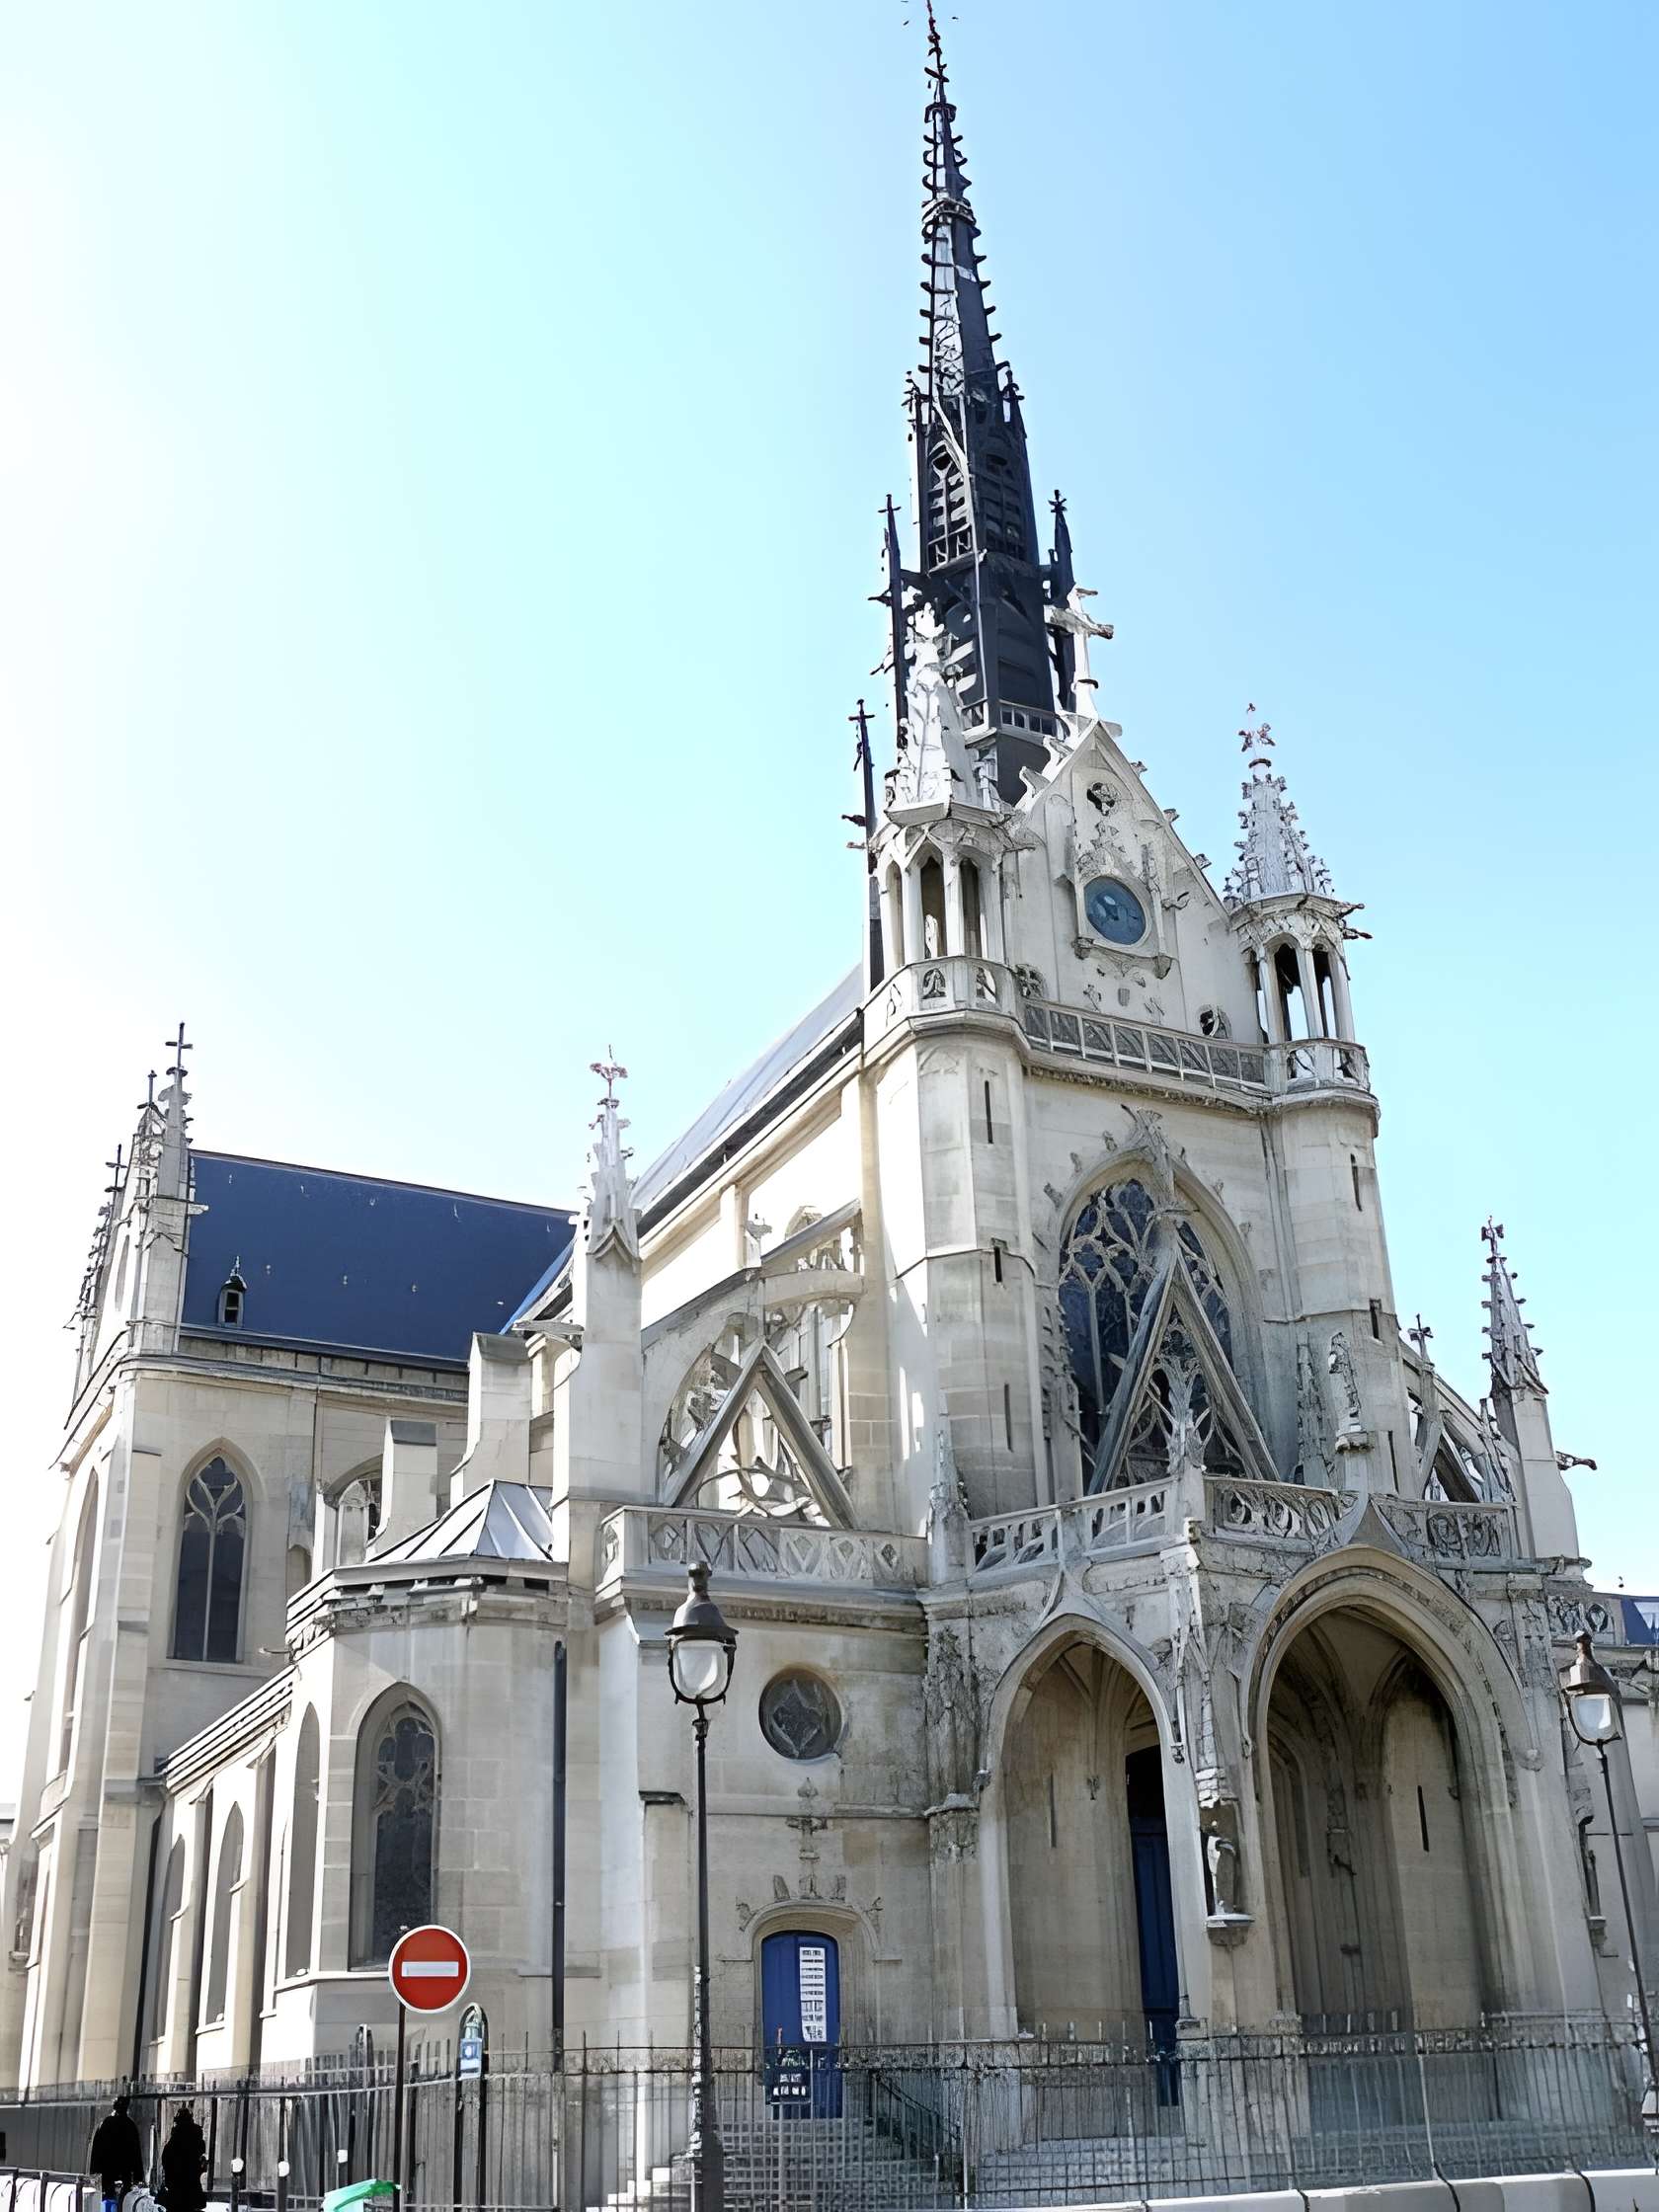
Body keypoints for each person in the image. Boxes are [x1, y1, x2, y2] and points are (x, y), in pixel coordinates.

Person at [89, 2094, 143, 2207]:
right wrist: (139, 2177)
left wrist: (93, 2174)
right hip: (125, 2174)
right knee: (123, 2203)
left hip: (107, 2174)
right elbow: (136, 2153)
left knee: (107, 2202)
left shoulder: (105, 2124)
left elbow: (97, 2152)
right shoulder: (130, 2125)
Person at [159, 2104, 207, 2212]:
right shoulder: (197, 2140)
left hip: (176, 2191)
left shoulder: (173, 2143)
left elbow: (166, 2162)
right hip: (192, 2189)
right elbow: (202, 2162)